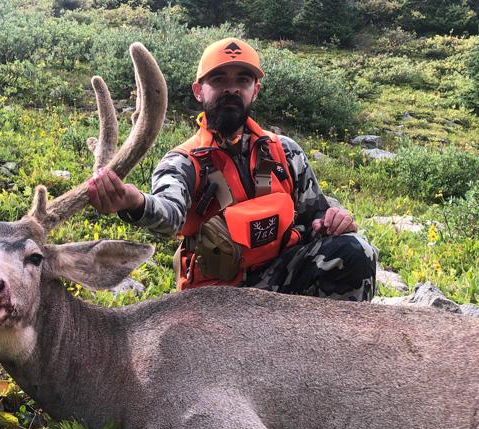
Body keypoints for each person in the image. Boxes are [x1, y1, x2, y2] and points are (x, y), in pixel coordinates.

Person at [87, 38, 377, 301]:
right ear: (199, 91)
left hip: (281, 276)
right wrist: (133, 202)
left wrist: (333, 218)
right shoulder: (183, 162)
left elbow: (315, 211)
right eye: (218, 79)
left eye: (243, 79)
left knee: (355, 250)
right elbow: (169, 213)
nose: (231, 88)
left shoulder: (284, 151)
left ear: (255, 90)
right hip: (219, 294)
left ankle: (334, 352)